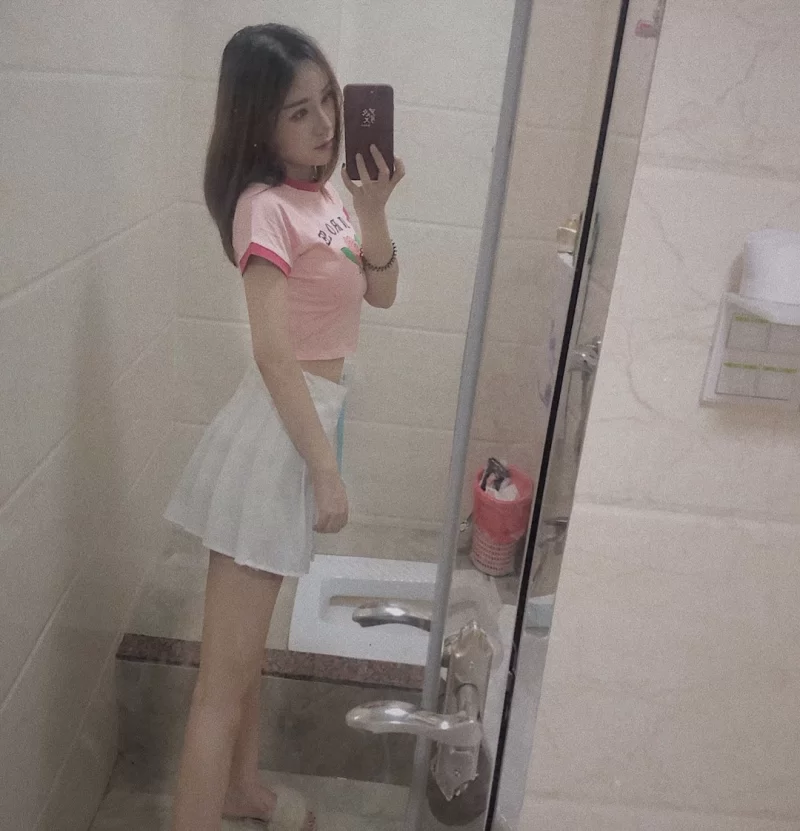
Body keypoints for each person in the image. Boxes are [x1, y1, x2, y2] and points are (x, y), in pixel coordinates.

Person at [162, 22, 405, 831]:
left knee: (248, 659)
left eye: (327, 99)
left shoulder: (322, 196)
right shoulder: (262, 207)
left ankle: (242, 790)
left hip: (300, 431)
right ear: (258, 125)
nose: (326, 123)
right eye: (300, 112)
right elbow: (272, 352)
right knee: (220, 684)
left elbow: (381, 292)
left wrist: (371, 210)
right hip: (278, 439)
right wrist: (325, 469)